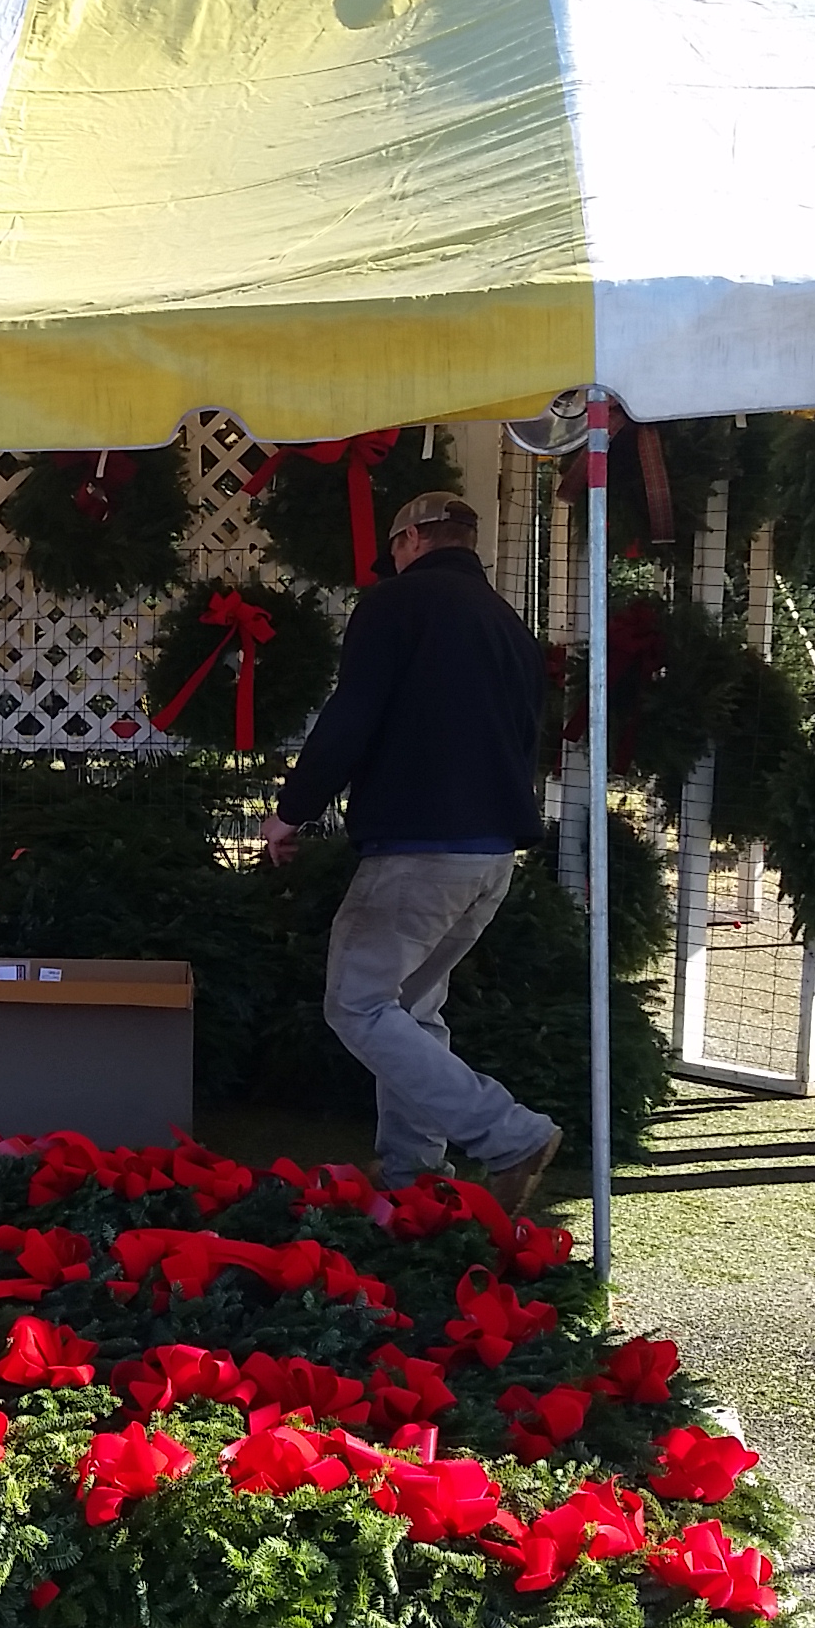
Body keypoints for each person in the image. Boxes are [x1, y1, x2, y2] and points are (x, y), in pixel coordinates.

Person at [261, 489, 563, 1211]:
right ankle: (413, 1176)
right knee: (414, 1008)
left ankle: (506, 1131)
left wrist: (291, 812)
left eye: (392, 548)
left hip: (416, 848)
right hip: (489, 854)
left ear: (410, 541)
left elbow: (352, 714)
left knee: (358, 1006)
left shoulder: (395, 605)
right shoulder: (508, 624)